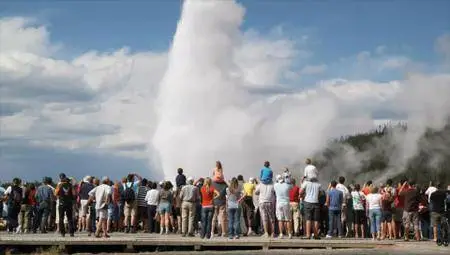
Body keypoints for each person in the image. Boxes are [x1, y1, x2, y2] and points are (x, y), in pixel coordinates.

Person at [54, 173, 75, 237]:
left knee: (61, 218)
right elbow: (74, 194)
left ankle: (62, 233)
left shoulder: (59, 185)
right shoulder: (71, 185)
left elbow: (55, 194)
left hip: (61, 203)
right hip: (69, 203)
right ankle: (71, 232)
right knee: (70, 218)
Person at [274, 173, 293, 239]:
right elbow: (291, 184)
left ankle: (281, 234)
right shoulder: (287, 185)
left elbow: (275, 183)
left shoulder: (275, 185)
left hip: (279, 204)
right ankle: (289, 234)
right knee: (288, 219)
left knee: (280, 220)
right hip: (286, 203)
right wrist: (287, 177)